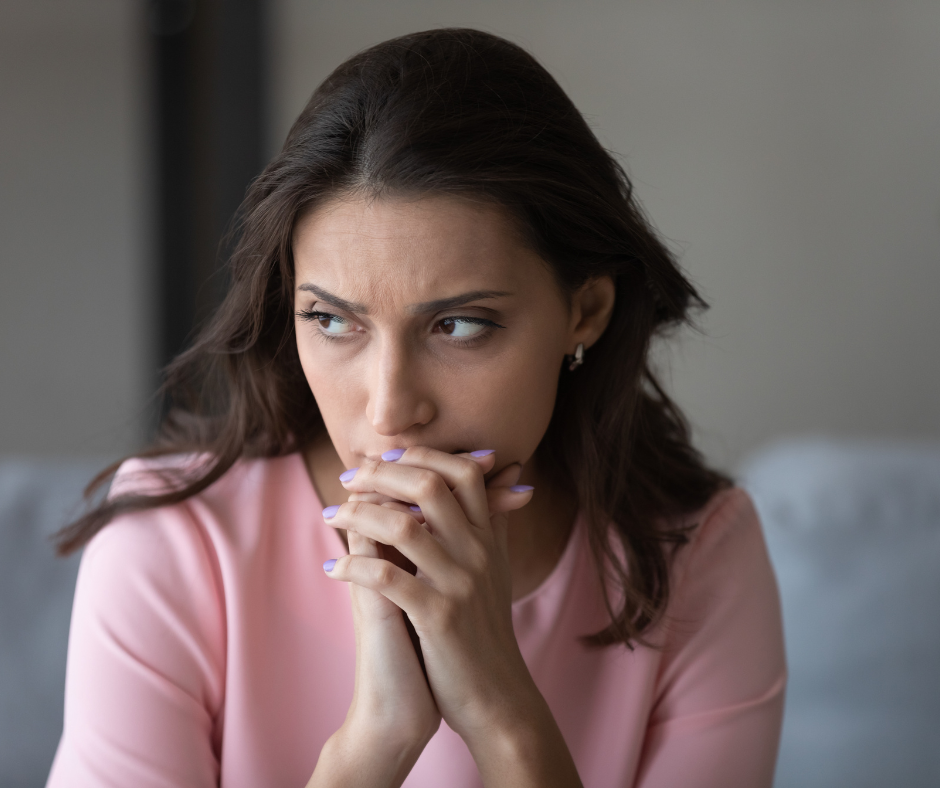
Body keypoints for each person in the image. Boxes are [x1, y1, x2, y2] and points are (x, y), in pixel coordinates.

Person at [47, 28, 785, 788]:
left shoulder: (696, 558)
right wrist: (376, 742)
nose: (392, 409)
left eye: (458, 325)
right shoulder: (169, 548)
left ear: (586, 309)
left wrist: (503, 712)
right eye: (333, 321)